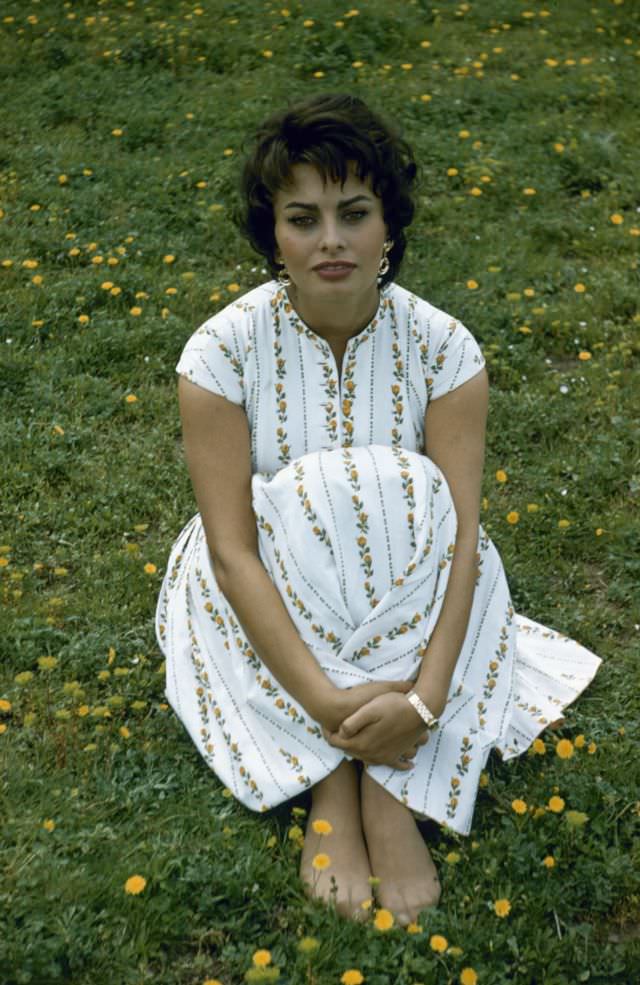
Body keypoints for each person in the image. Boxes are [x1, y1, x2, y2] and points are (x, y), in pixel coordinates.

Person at [155, 93, 601, 925]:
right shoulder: (218, 353)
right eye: (302, 217)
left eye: (353, 213)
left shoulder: (444, 348)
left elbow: (462, 538)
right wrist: (331, 710)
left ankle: (394, 789)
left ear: (387, 225)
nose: (331, 240)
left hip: (414, 587)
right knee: (298, 498)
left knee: (407, 491)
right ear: (272, 235)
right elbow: (231, 554)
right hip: (265, 585)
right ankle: (333, 770)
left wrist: (424, 703)